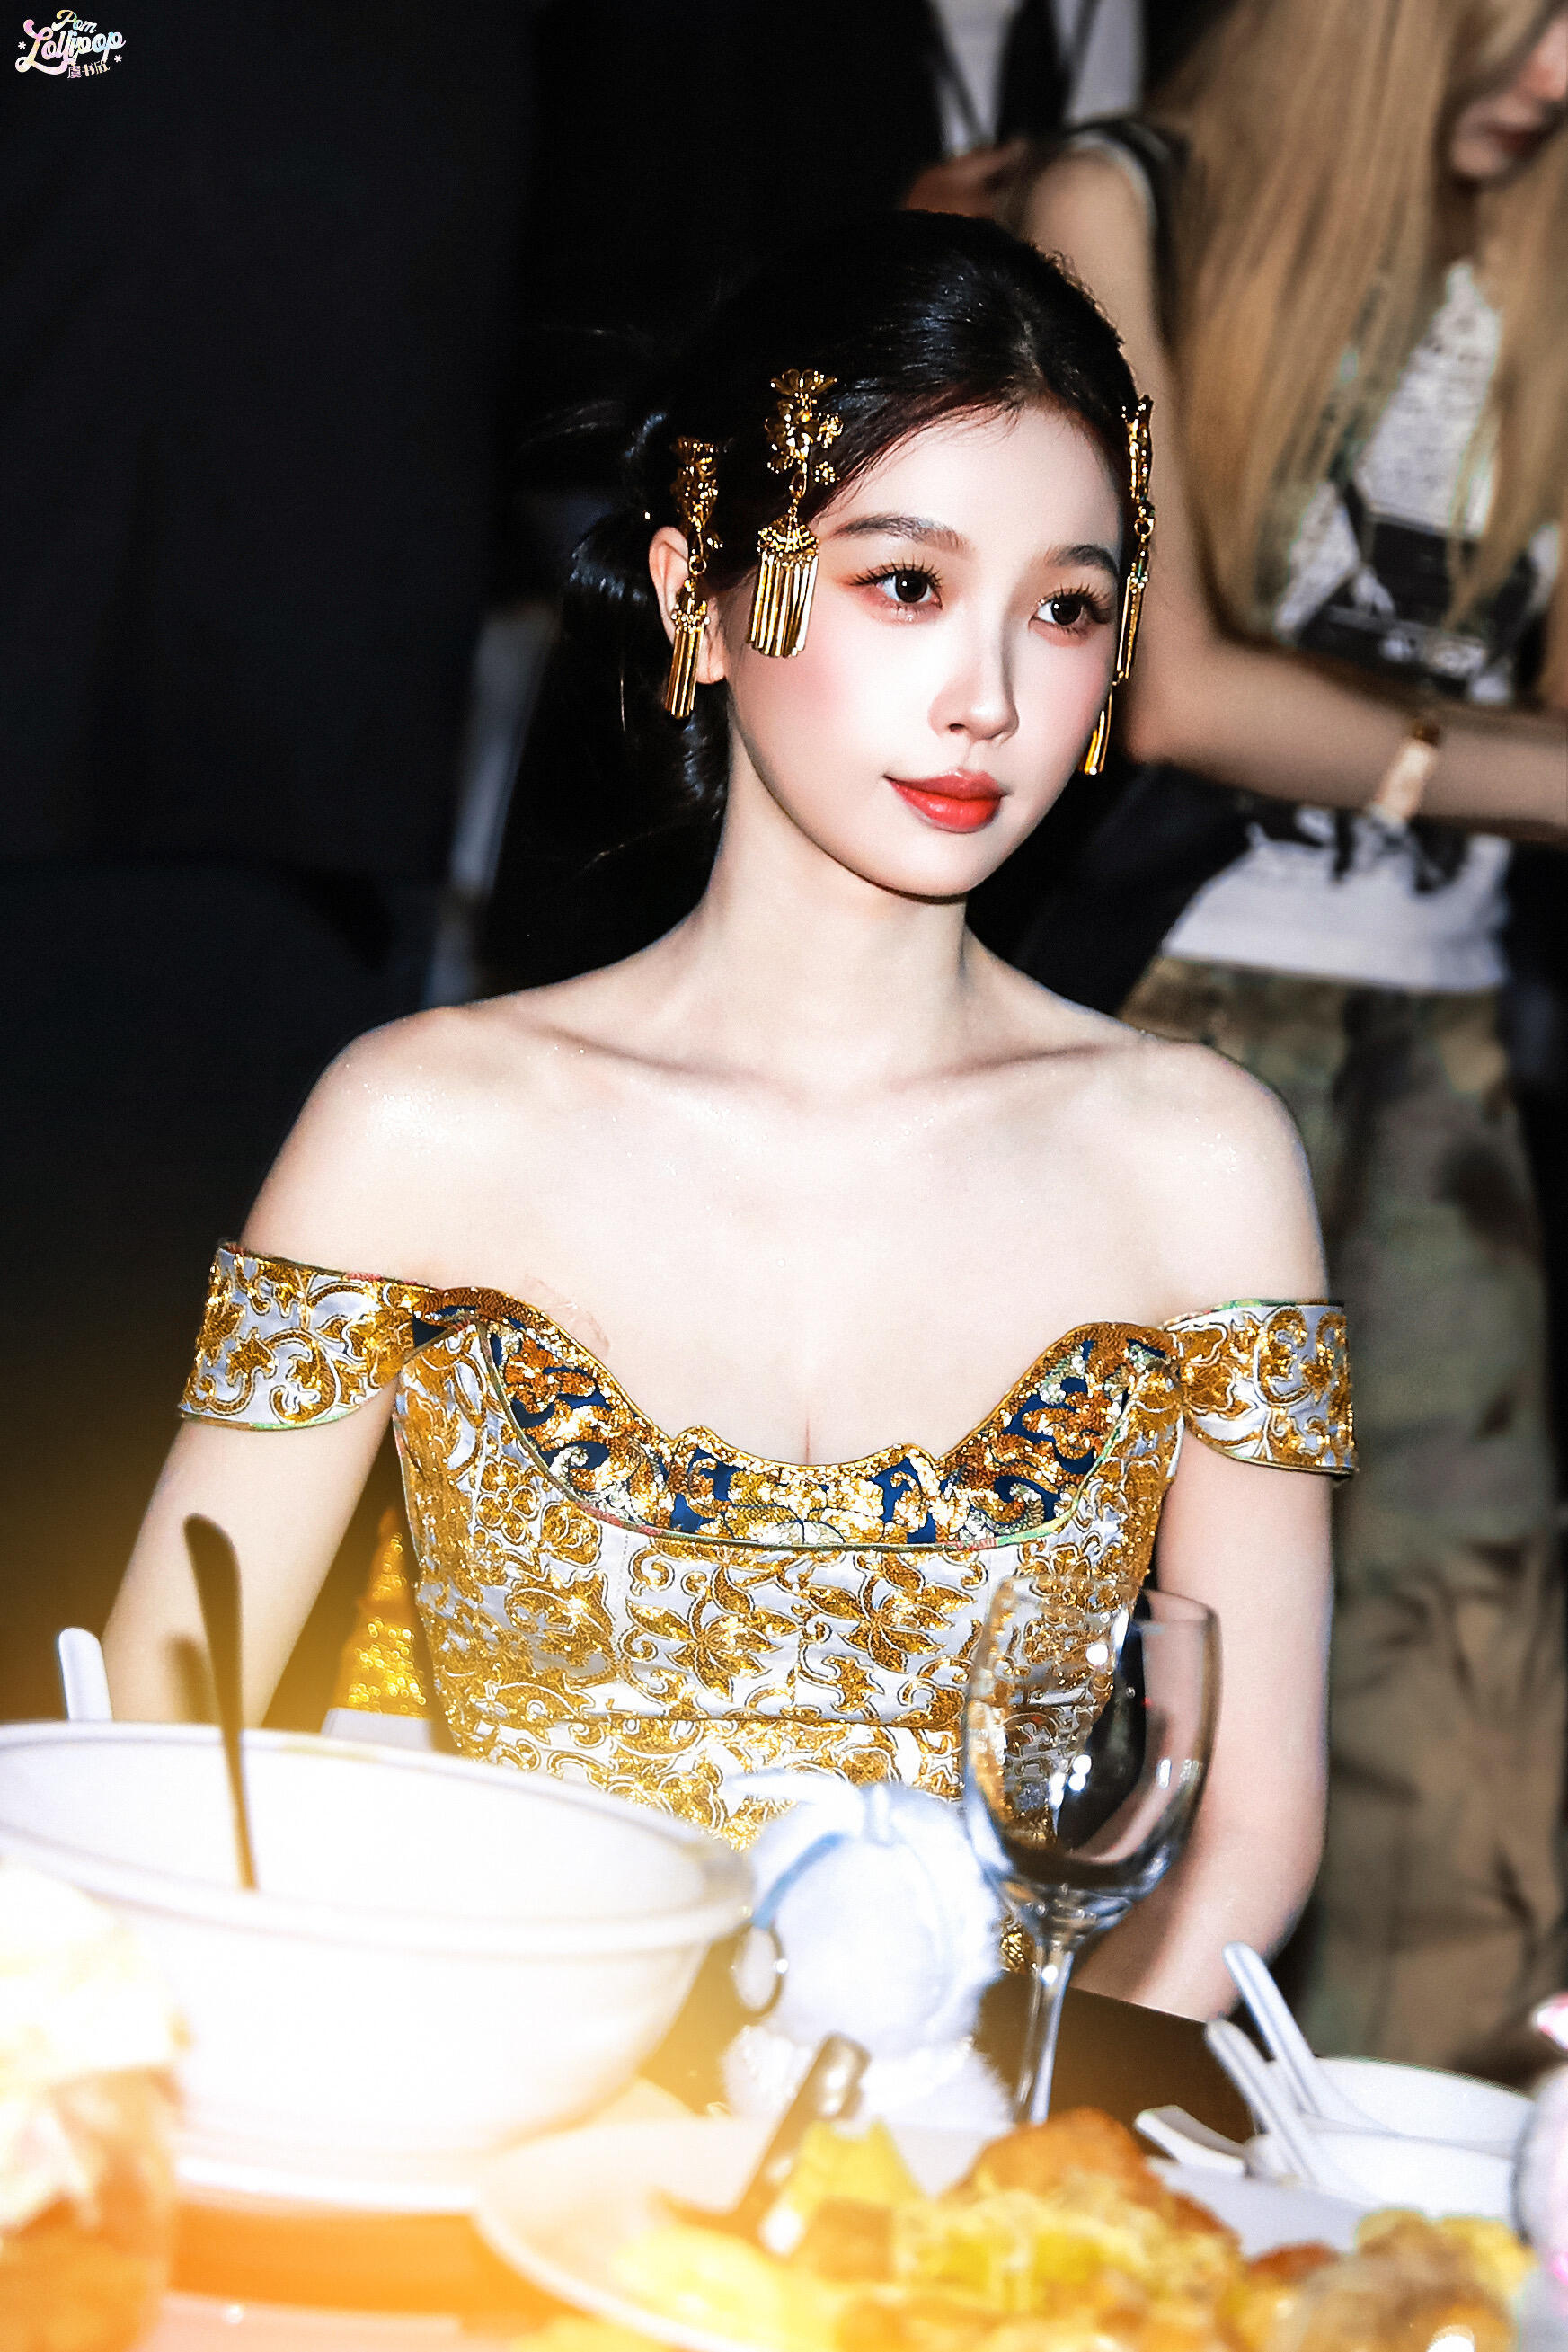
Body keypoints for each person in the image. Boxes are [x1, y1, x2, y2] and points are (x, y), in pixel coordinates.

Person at [103, 216, 1351, 2023]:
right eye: (905, 584)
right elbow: (161, 1712)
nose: (989, 697)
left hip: (962, 2165)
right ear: (698, 596)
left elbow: (1247, 1837)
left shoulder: (1199, 1162)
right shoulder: (422, 1126)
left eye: (1065, 608)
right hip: (466, 2093)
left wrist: (1016, 2158)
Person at [1017, 0, 1568, 2074]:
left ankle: (1409, 2218)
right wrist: (1493, 765)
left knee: (1467, 1721)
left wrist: (1403, 750)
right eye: (1526, 12)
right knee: (1080, 1669)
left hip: (1445, 1047)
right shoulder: (1127, 203)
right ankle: (1017, 2154)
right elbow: (1167, 690)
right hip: (1156, 1010)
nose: (1561, 70)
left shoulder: (1546, 256)